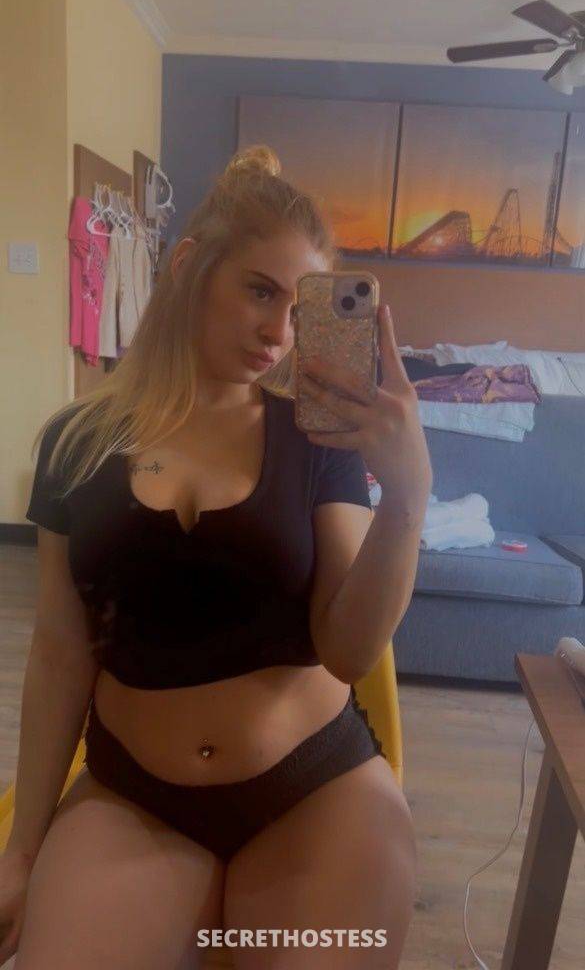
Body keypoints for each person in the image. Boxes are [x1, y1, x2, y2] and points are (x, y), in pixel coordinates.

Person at [2, 145, 432, 969]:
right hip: (134, 798)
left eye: (298, 310)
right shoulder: (76, 443)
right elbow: (59, 652)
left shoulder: (317, 442)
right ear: (190, 267)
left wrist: (407, 496)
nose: (278, 333)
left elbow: (348, 651)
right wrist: (22, 851)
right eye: (259, 291)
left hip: (314, 793)